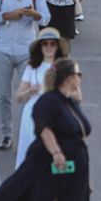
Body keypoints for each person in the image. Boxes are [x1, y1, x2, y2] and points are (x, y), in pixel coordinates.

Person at [0, 57, 90, 201]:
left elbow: (80, 130)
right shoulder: (47, 101)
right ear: (69, 78)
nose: (80, 78)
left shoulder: (70, 102)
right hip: (51, 163)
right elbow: (44, 128)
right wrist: (56, 152)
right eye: (78, 75)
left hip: (74, 167)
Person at [0, 0, 51, 150]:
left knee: (27, 96)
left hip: (26, 50)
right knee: (3, 95)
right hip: (3, 48)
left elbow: (46, 18)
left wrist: (34, 14)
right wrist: (9, 16)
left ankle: (25, 135)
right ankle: (6, 134)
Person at [16, 27, 70, 165]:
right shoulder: (32, 67)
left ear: (57, 47)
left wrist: (60, 92)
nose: (48, 47)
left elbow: (77, 96)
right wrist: (30, 90)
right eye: (45, 43)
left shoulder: (64, 67)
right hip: (32, 115)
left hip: (56, 113)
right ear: (40, 47)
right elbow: (19, 97)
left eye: (52, 43)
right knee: (30, 152)